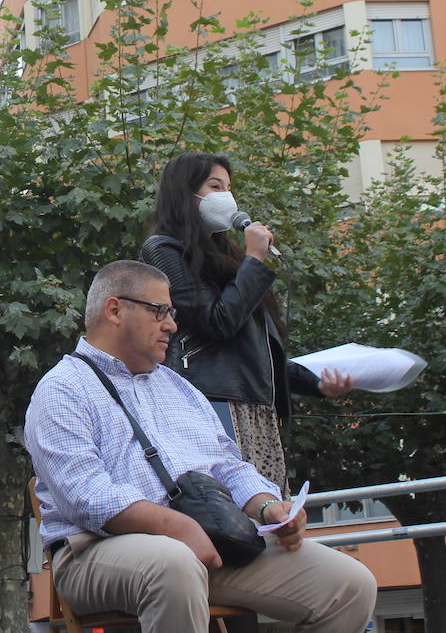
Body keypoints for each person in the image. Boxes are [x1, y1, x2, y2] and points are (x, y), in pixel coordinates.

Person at [25, 260, 376, 632]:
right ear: (114, 310)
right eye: (160, 311)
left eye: (172, 313)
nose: (172, 325)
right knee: (173, 563)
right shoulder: (62, 389)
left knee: (349, 585)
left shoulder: (179, 387)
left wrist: (269, 507)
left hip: (206, 545)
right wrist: (175, 526)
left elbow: (228, 467)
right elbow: (85, 495)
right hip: (93, 553)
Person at [138, 152, 352, 494]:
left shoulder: (228, 260)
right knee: (234, 513)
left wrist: (317, 384)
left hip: (255, 407)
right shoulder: (163, 250)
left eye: (229, 187)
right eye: (214, 186)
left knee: (267, 515)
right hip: (213, 402)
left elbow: (255, 352)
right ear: (185, 193)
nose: (226, 195)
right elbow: (216, 322)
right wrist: (254, 260)